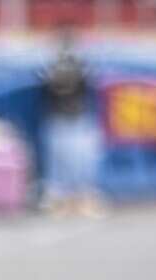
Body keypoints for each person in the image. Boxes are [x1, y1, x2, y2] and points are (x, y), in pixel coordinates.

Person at [41, 32, 105, 216]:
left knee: (83, 161)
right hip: (58, 119)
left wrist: (76, 69)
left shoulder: (83, 67)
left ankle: (84, 199)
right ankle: (59, 201)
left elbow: (88, 81)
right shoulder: (50, 69)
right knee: (59, 164)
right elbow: (53, 86)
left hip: (79, 119)